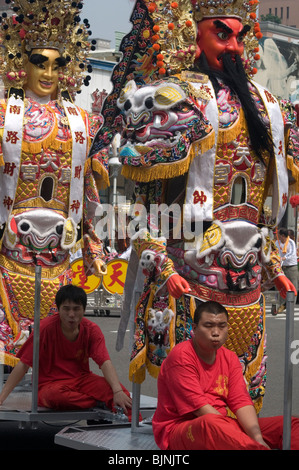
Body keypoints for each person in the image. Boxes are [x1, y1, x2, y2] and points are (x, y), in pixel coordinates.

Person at [91, 0, 299, 412]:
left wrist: (275, 268)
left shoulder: (270, 110)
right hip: (191, 275)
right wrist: (163, 268)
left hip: (249, 280)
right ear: (196, 34)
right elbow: (143, 209)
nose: (235, 48)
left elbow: (262, 210)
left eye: (241, 37)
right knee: (193, 405)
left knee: (244, 400)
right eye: (223, 34)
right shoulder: (174, 101)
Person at [0, 1, 109, 366]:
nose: (48, 73)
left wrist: (92, 243)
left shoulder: (80, 123)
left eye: (56, 65)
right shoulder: (4, 116)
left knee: (52, 344)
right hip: (9, 248)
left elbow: (88, 195)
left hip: (59, 252)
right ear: (20, 63)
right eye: (39, 63)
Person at [152, 301, 299, 450]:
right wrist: (233, 432)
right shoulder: (181, 356)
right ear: (194, 329)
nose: (216, 332)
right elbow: (201, 409)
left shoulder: (230, 357)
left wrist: (257, 438)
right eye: (208, 326)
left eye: (222, 326)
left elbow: (240, 401)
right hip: (183, 430)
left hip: (223, 423)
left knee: (290, 424)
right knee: (211, 424)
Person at [0, 284, 132, 416]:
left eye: (76, 309)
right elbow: (24, 364)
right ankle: (99, 401)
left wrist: (117, 391)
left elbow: (104, 362)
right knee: (56, 398)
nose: (71, 314)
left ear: (84, 309)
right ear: (58, 309)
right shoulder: (44, 329)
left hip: (82, 380)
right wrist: (2, 397)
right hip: (50, 385)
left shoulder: (92, 330)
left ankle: (135, 425)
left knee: (123, 395)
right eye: (66, 309)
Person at [275, 228, 298, 313]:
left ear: (283, 236)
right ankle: (281, 305)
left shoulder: (291, 242)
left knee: (293, 287)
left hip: (291, 267)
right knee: (281, 286)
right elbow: (275, 251)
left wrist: (284, 257)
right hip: (281, 267)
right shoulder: (277, 243)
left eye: (279, 235)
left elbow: (292, 253)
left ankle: (290, 307)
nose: (278, 237)